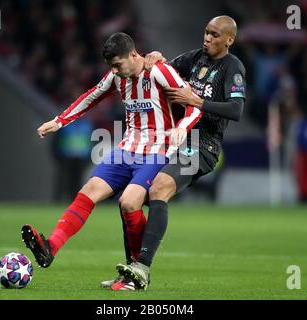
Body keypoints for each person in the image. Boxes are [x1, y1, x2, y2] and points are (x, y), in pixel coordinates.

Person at [21, 33, 202, 288]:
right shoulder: (117, 77)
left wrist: (182, 126)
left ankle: (137, 271)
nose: (115, 71)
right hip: (126, 149)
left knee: (128, 202)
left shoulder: (159, 72)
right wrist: (59, 121)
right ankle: (51, 247)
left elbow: (195, 105)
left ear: (133, 55)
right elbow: (91, 96)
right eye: (111, 67)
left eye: (118, 64)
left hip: (157, 150)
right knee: (89, 190)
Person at [110, 16, 247, 290]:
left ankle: (142, 268)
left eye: (215, 35)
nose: (207, 38)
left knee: (159, 188)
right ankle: (130, 270)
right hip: (173, 139)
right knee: (132, 195)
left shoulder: (233, 67)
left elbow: (236, 111)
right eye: (206, 33)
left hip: (201, 145)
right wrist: (157, 57)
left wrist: (197, 101)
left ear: (229, 40)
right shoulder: (195, 58)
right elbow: (163, 70)